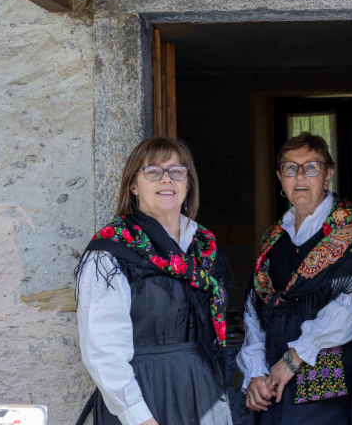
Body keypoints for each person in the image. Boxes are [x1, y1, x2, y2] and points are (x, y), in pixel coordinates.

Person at [75, 137, 234, 425]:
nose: (167, 179)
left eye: (176, 171)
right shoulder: (111, 250)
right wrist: (138, 416)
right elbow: (102, 348)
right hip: (144, 393)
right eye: (153, 171)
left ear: (188, 184)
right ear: (133, 185)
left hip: (201, 389)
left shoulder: (204, 246)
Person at [238, 132, 352, 425]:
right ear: (280, 178)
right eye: (290, 167)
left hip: (326, 378)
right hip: (273, 380)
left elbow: (349, 312)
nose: (300, 176)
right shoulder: (273, 238)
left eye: (311, 167)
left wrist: (294, 358)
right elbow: (255, 310)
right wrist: (256, 372)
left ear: (328, 175)